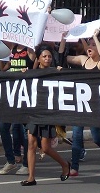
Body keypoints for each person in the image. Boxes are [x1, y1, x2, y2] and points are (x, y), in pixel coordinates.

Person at [61, 28, 100, 177]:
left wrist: (95, 37)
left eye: (93, 45)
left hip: (95, 106)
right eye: (89, 45)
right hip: (80, 104)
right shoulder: (83, 59)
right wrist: (63, 39)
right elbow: (63, 58)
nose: (90, 47)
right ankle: (74, 167)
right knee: (77, 135)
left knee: (97, 138)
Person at [20, 45, 71, 185]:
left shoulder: (55, 72)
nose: (47, 58)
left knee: (46, 147)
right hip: (34, 112)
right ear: (38, 59)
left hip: (48, 113)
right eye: (44, 56)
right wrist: (23, 73)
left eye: (49, 56)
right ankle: (31, 177)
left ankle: (65, 164)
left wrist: (61, 73)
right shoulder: (32, 73)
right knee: (31, 144)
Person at [0, 42, 34, 175]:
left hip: (24, 95)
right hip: (12, 94)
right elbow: (3, 69)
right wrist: (0, 57)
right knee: (3, 127)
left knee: (25, 130)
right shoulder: (12, 51)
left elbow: (33, 62)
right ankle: (10, 161)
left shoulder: (29, 50)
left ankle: (26, 164)